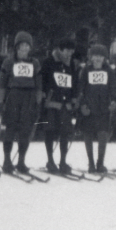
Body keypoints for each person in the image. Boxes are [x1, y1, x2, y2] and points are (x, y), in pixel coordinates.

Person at [0, 31, 42, 174]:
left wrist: (38, 101)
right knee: (10, 128)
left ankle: (21, 161)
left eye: (27, 45)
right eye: (21, 45)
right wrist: (0, 101)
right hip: (13, 97)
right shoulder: (9, 62)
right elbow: (2, 83)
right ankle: (7, 160)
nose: (24, 48)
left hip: (28, 98)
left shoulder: (34, 63)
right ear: (17, 47)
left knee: (25, 131)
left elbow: (39, 83)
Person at [77, 44, 116, 174]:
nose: (97, 59)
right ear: (91, 57)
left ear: (104, 58)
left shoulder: (109, 71)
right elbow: (80, 89)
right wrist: (82, 105)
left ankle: (100, 163)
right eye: (95, 56)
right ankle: (91, 163)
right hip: (89, 108)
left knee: (103, 135)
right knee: (88, 134)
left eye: (100, 56)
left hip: (103, 108)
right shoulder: (86, 70)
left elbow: (113, 88)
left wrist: (114, 101)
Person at [40, 38, 78, 174]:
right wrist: (43, 95)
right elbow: (42, 80)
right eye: (67, 51)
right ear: (60, 50)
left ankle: (62, 161)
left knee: (65, 133)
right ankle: (50, 160)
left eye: (72, 52)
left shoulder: (71, 64)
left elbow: (74, 82)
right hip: (52, 103)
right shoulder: (49, 62)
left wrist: (74, 99)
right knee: (50, 131)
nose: (69, 54)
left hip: (65, 104)